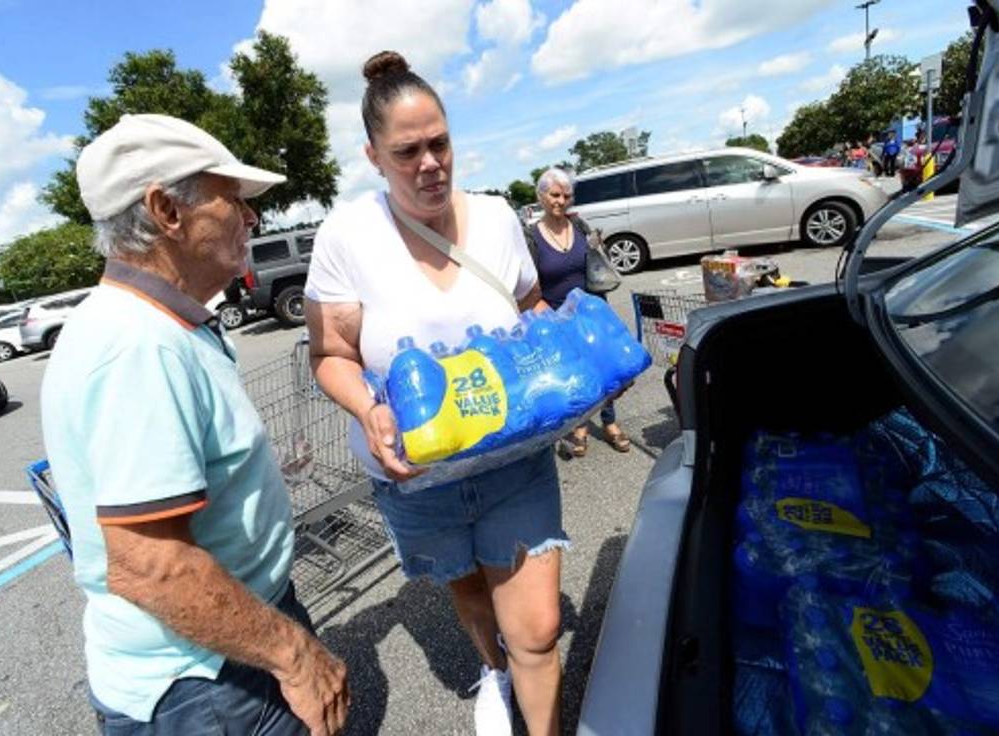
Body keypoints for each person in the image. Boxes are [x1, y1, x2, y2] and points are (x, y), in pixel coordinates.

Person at [41, 114, 349, 736]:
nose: (252, 217)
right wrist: (294, 657)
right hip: (210, 682)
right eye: (232, 199)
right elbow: (149, 563)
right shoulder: (137, 347)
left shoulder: (158, 324)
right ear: (165, 211)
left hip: (225, 650)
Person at [303, 51, 568, 736]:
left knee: (537, 628)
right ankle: (493, 670)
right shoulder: (347, 236)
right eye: (408, 150)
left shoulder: (497, 218)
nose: (430, 163)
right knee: (470, 589)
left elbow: (531, 302)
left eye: (440, 142)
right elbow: (330, 353)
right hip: (419, 476)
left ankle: (529, 694)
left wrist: (566, 360)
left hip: (515, 461)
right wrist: (368, 406)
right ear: (373, 155)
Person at [525, 167, 630, 457]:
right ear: (541, 196)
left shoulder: (581, 227)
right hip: (558, 316)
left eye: (566, 195)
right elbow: (530, 285)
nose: (560, 201)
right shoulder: (532, 236)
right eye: (554, 194)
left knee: (605, 367)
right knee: (577, 374)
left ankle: (610, 423)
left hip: (592, 311)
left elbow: (596, 264)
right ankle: (580, 426)